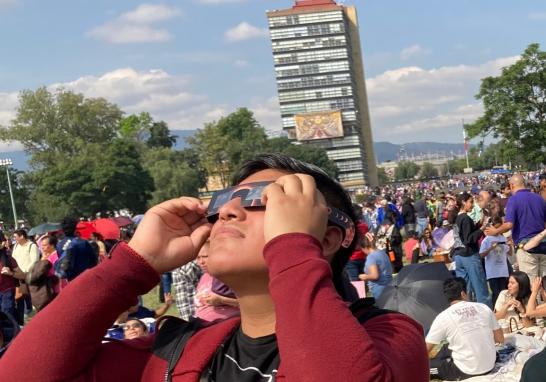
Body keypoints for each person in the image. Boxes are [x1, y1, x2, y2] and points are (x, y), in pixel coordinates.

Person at [0, 153, 429, 381]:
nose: (228, 213)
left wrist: (294, 250)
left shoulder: (388, 335)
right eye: (222, 202)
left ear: (329, 236)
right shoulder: (176, 351)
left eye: (265, 199)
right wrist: (131, 266)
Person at [426, 278, 503, 381]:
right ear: (463, 294)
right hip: (490, 363)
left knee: (428, 366)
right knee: (446, 347)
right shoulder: (483, 307)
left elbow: (425, 350)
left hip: (466, 371)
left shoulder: (443, 317)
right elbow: (500, 339)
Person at [485, 174, 546, 279]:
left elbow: (509, 224)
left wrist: (495, 231)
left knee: (531, 285)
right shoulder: (539, 198)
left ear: (512, 185)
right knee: (543, 283)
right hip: (543, 245)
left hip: (526, 249)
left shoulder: (514, 200)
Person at [451, 192, 492, 308]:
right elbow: (469, 239)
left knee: (465, 289)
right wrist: (482, 229)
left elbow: (464, 234)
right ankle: (486, 312)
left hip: (459, 256)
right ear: (464, 202)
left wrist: (479, 225)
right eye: (470, 202)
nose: (473, 205)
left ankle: (466, 311)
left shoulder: (457, 218)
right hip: (469, 256)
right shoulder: (465, 218)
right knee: (481, 288)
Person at [193, 242, 239, 322]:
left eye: (205, 256)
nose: (201, 262)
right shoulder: (204, 277)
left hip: (226, 326)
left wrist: (222, 300)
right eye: (198, 258)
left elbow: (248, 304)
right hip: (204, 327)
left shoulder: (228, 276)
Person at [479, 215, 510, 306]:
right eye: (496, 228)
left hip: (503, 271)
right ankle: (495, 312)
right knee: (496, 294)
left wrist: (510, 245)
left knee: (504, 293)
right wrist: (490, 249)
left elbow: (510, 253)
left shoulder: (503, 238)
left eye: (499, 228)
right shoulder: (486, 240)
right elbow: (481, 255)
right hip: (493, 272)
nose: (497, 231)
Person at [56, 217, 98, 281]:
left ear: (62, 230)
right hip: (86, 278)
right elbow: (94, 261)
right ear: (75, 228)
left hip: (71, 280)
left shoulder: (59, 245)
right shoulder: (83, 242)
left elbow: (62, 263)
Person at [11, 229, 39, 324]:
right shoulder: (15, 246)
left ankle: (32, 313)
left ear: (22, 236)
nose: (14, 239)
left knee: (28, 295)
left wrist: (25, 272)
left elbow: (34, 261)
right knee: (19, 297)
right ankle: (21, 320)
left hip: (27, 275)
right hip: (16, 275)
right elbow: (13, 259)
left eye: (15, 237)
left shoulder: (32, 246)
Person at [359, 233, 393, 299]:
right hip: (390, 285)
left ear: (365, 247)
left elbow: (375, 276)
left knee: (382, 308)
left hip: (379, 288)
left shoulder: (371, 257)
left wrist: (364, 277)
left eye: (362, 250)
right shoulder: (383, 253)